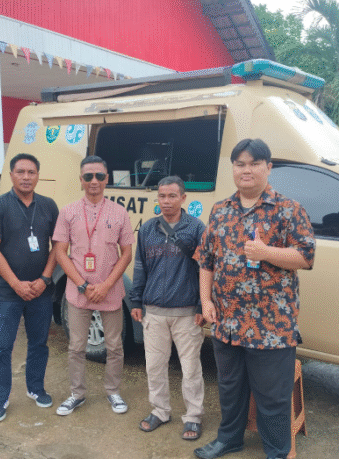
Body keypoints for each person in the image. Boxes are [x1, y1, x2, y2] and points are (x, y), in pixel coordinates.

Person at [193, 139, 315, 459]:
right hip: (227, 322)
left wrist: (265, 252)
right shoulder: (220, 210)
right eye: (240, 164)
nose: (246, 170)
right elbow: (206, 260)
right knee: (230, 389)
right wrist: (205, 301)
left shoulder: (289, 210)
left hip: (271, 326)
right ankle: (229, 439)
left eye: (254, 163)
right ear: (233, 169)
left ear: (268, 167)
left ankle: (277, 451)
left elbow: (306, 257)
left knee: (273, 396)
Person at [53, 155, 134, 416]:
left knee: (114, 346)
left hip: (110, 290)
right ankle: (77, 394)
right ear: (81, 180)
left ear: (107, 179)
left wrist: (106, 285)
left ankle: (113, 391)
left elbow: (126, 254)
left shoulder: (119, 212)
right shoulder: (68, 212)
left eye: (99, 176)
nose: (94, 181)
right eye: (88, 176)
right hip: (79, 292)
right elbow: (60, 252)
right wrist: (82, 285)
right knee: (77, 347)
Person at [0, 153, 59, 422]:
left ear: (38, 175)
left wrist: (44, 279)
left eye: (31, 172)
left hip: (40, 292)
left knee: (39, 343)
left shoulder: (48, 206)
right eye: (21, 172)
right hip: (6, 293)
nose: (26, 177)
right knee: (3, 347)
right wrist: (16, 284)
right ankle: (0, 398)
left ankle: (35, 388)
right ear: (11, 175)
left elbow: (59, 246)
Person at [130, 176, 206, 441]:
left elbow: (205, 269)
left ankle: (193, 416)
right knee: (154, 366)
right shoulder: (148, 229)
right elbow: (140, 266)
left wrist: (202, 304)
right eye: (162, 196)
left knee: (191, 369)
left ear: (183, 198)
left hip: (187, 314)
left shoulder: (196, 228)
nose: (167, 201)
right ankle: (160, 411)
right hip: (154, 313)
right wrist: (136, 300)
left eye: (172, 196)